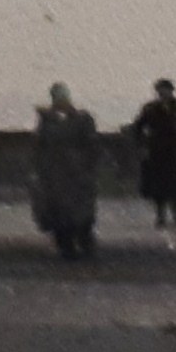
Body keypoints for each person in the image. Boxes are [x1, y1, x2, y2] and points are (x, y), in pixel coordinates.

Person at [28, 83, 101, 261]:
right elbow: (39, 146)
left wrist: (87, 166)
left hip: (76, 172)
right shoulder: (46, 120)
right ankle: (65, 246)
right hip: (53, 173)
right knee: (57, 212)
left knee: (82, 213)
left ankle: (85, 244)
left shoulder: (83, 119)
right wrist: (37, 169)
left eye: (62, 97)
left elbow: (92, 146)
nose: (60, 101)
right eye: (57, 97)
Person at [130, 79, 176, 230]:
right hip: (157, 150)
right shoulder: (150, 108)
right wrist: (142, 145)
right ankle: (161, 215)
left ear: (171, 91)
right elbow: (138, 127)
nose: (163, 93)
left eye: (166, 90)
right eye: (160, 90)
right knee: (159, 185)